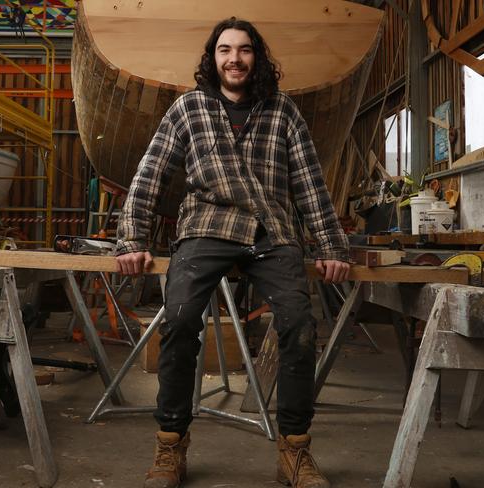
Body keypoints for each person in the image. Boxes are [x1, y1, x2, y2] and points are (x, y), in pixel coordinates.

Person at [115, 17, 350, 488]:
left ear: (256, 57)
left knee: (299, 325)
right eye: (225, 50)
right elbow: (151, 172)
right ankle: (170, 446)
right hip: (207, 225)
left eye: (244, 50)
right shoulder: (188, 108)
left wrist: (330, 245)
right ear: (213, 58)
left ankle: (295, 451)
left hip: (272, 229)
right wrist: (132, 239)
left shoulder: (283, 111)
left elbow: (308, 182)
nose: (234, 58)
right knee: (179, 318)